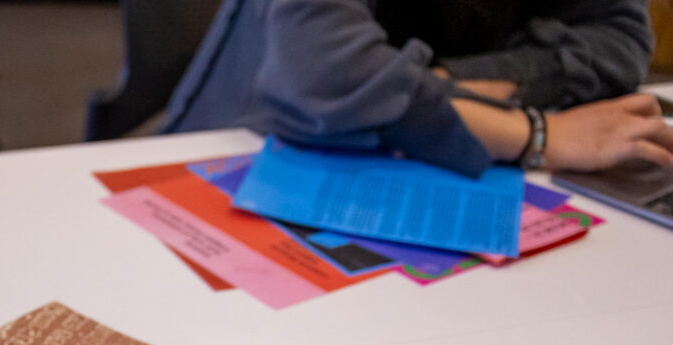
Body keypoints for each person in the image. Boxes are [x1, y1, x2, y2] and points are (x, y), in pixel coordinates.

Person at [160, 0, 673, 177]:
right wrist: (535, 134)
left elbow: (621, 41)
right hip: (239, 157)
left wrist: (419, 84)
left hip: (420, 162)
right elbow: (322, 72)